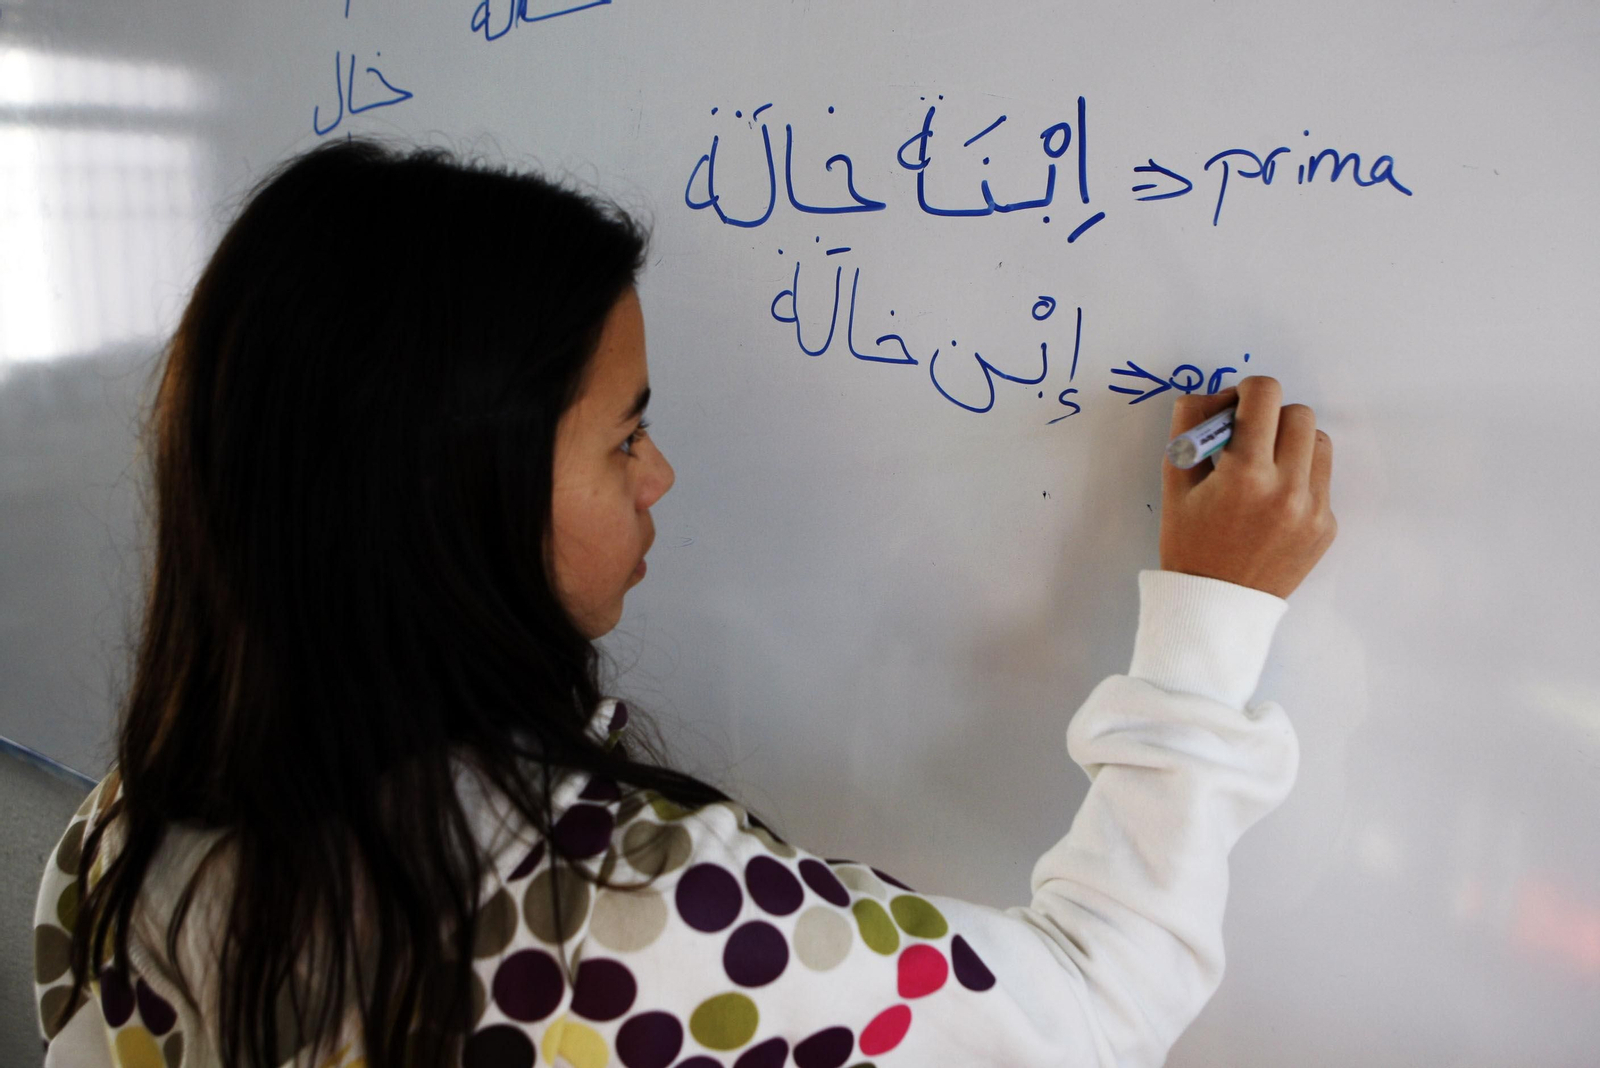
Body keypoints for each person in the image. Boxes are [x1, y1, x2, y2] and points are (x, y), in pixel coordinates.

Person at [33, 138, 1335, 1068]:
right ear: (460, 494)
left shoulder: (121, 841)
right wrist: (1207, 631)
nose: (662, 474)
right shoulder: (634, 922)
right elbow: (1095, 1015)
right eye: (623, 437)